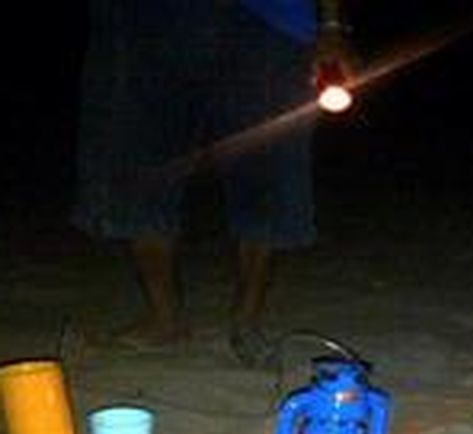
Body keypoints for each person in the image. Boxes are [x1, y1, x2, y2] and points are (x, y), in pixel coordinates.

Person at [73, 0, 353, 367]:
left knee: (268, 160)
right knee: (136, 157)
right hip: (143, 15)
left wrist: (331, 27)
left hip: (266, 16)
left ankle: (247, 322)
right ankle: (163, 317)